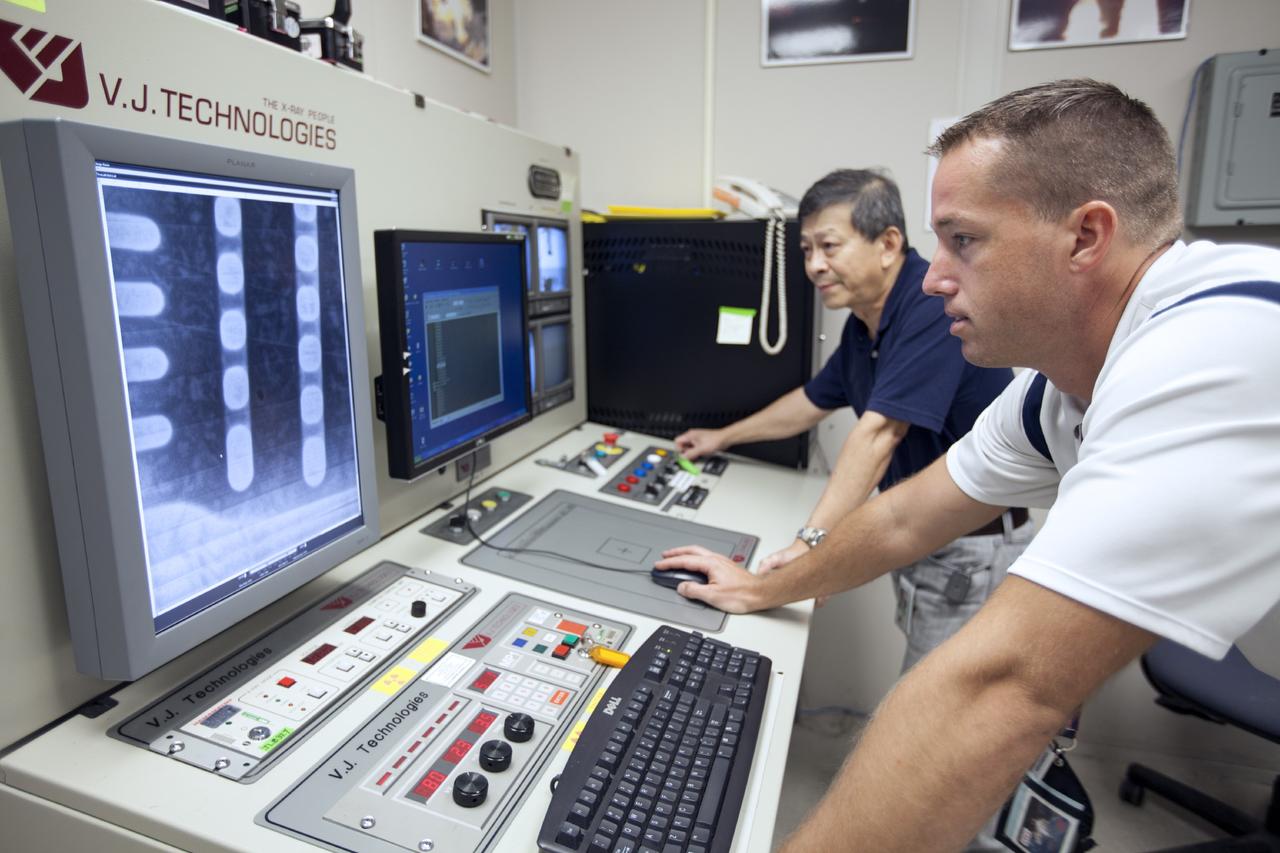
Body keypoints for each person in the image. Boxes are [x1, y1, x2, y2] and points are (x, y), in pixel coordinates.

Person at [657, 78, 1280, 851]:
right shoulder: (1057, 389)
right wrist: (766, 582)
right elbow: (905, 513)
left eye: (963, 240)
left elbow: (1001, 688)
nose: (933, 274)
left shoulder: (1210, 355)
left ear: (1086, 237)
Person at [675, 169, 1030, 674]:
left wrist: (809, 546)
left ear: (887, 244)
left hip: (972, 551)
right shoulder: (866, 324)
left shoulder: (930, 311)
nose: (815, 265)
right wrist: (720, 437)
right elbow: (812, 400)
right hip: (930, 539)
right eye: (805, 250)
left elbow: (879, 434)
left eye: (829, 246)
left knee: (933, 718)